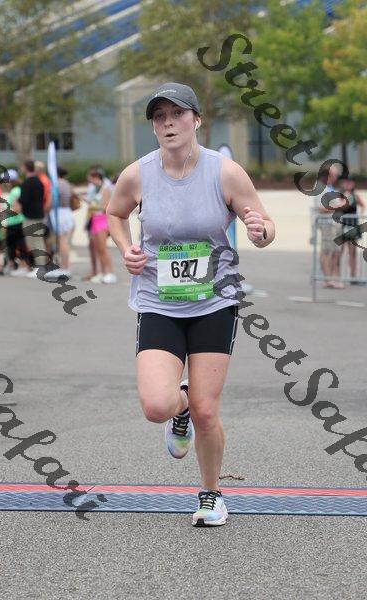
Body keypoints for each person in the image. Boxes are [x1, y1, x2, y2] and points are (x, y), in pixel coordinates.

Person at [106, 82, 275, 527]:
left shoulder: (226, 172)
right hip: (158, 301)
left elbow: (263, 224)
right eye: (159, 117)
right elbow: (114, 213)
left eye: (177, 114)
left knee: (207, 409)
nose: (168, 123)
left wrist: (260, 231)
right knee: (155, 406)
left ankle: (211, 495)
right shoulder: (138, 174)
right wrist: (125, 248)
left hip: (214, 300)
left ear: (196, 119)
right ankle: (178, 407)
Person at [313, 166, 344, 288]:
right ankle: (327, 279)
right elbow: (321, 208)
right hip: (326, 224)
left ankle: (333, 277)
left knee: (335, 251)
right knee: (326, 251)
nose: (335, 178)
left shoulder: (330, 187)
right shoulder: (320, 187)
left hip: (334, 224)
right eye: (334, 175)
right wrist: (339, 206)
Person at [86, 169, 117, 284]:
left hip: (102, 219)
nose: (90, 181)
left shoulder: (105, 189)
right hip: (94, 219)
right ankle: (102, 272)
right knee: (97, 248)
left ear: (96, 177)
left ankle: (110, 272)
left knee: (103, 248)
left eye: (92, 178)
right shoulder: (95, 189)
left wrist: (93, 207)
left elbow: (106, 206)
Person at [17, 160, 46, 278]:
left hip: (31, 216)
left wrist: (18, 202)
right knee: (35, 241)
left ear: (25, 168)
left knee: (35, 242)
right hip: (38, 214)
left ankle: (41, 268)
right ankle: (39, 266)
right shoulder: (39, 182)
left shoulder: (27, 183)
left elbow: (23, 199)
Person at [47, 166, 75, 278]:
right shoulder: (66, 183)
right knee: (63, 241)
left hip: (60, 212)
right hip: (66, 211)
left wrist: (45, 210)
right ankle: (65, 266)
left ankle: (64, 267)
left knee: (63, 241)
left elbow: (50, 201)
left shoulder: (56, 184)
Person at [337, 174, 365, 283]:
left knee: (352, 252)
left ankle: (353, 276)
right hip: (342, 225)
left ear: (353, 184)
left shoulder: (355, 195)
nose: (347, 184)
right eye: (346, 182)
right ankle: (337, 275)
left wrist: (360, 216)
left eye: (350, 182)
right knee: (340, 251)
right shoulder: (341, 195)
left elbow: (362, 205)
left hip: (352, 225)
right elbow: (340, 207)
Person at [3, 169, 30, 276]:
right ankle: (14, 265)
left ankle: (22, 266)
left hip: (16, 222)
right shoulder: (17, 190)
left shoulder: (15, 191)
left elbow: (17, 208)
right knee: (14, 244)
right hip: (15, 221)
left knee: (18, 244)